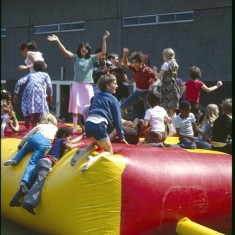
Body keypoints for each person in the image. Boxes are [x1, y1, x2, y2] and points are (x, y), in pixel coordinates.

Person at [9, 127, 84, 215]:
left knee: (30, 182)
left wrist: (81, 137)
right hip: (47, 163)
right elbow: (70, 145)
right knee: (39, 182)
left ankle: (15, 199)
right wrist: (80, 143)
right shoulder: (63, 140)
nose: (69, 140)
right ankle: (29, 203)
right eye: (69, 138)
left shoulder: (57, 141)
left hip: (41, 162)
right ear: (64, 136)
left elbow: (71, 141)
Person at [47, 31, 110, 134]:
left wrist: (104, 39)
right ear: (80, 49)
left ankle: (88, 126)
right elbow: (64, 51)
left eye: (85, 48)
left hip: (87, 85)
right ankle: (75, 127)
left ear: (88, 49)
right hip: (77, 84)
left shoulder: (92, 58)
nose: (84, 49)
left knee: (89, 106)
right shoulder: (75, 57)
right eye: (82, 47)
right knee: (76, 106)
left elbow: (103, 52)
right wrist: (57, 41)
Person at [70, 74, 128, 166]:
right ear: (108, 85)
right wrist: (121, 136)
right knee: (109, 150)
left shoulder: (96, 97)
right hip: (99, 125)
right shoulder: (113, 99)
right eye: (115, 83)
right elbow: (118, 120)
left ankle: (81, 151)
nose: (117, 86)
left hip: (88, 124)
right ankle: (94, 159)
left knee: (97, 144)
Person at [4, 113, 58, 194]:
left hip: (34, 138)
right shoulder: (55, 128)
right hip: (45, 142)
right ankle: (24, 181)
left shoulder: (40, 126)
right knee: (32, 163)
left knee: (25, 148)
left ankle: (15, 159)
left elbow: (27, 136)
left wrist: (20, 146)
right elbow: (56, 139)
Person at [121, 48, 159, 118]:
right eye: (133, 62)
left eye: (136, 62)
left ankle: (150, 127)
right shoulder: (134, 68)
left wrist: (153, 85)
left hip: (146, 94)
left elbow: (157, 80)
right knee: (122, 107)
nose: (134, 64)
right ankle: (122, 121)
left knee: (149, 113)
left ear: (142, 62)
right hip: (137, 93)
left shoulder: (148, 71)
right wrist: (125, 54)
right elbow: (125, 63)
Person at [13, 61, 53, 128]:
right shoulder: (45, 75)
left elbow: (19, 82)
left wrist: (16, 93)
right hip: (38, 90)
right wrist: (50, 95)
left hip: (28, 90)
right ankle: (34, 127)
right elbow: (49, 85)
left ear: (34, 68)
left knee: (26, 103)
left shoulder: (30, 75)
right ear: (43, 68)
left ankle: (27, 116)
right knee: (38, 110)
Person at [154, 48, 180, 136]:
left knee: (165, 109)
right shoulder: (175, 64)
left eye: (163, 55)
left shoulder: (166, 64)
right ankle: (175, 129)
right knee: (172, 110)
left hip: (166, 89)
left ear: (166, 55)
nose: (162, 57)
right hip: (174, 88)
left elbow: (158, 76)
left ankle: (171, 129)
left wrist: (154, 71)